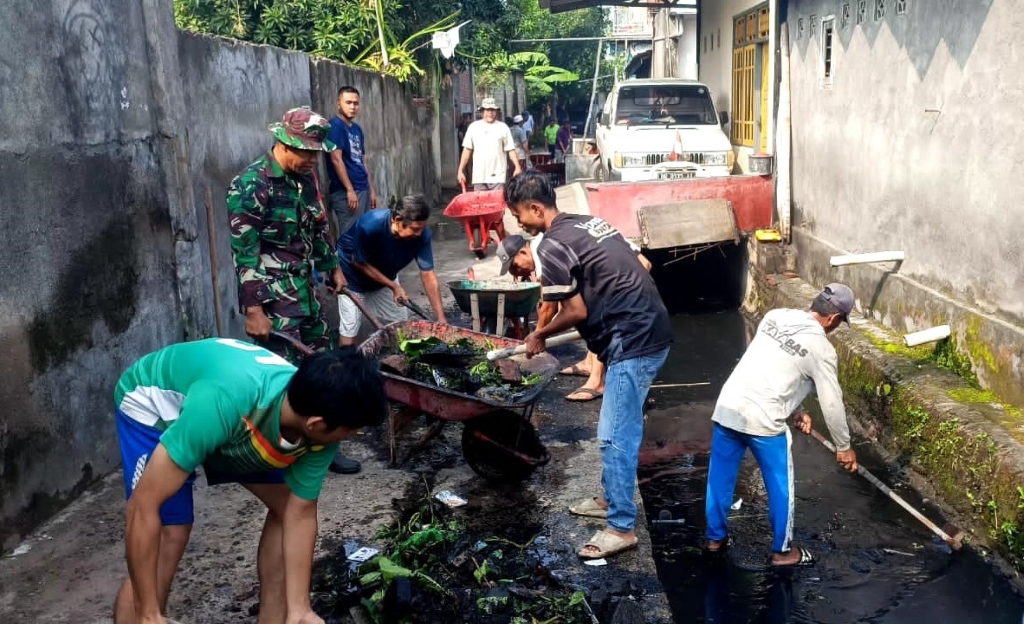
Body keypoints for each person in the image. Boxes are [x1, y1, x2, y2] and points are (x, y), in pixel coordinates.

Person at [112, 338, 388, 624]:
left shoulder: (320, 419)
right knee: (171, 530)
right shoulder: (223, 402)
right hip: (155, 407)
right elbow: (142, 507)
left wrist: (301, 608)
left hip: (231, 423)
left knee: (287, 506)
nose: (348, 437)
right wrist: (148, 612)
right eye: (350, 431)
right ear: (316, 424)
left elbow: (301, 511)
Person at [506, 171, 673, 559]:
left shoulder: (551, 244)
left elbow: (575, 309)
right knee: (622, 425)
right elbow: (643, 265)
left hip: (634, 339)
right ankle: (609, 496)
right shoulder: (588, 222)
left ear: (535, 208)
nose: (518, 222)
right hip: (650, 328)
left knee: (614, 434)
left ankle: (621, 526)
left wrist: (540, 334)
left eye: (518, 215)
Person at [228, 106, 363, 476]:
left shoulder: (306, 181)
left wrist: (332, 267)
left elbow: (319, 228)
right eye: (303, 151)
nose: (309, 159)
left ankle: (324, 446)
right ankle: (277, 452)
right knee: (281, 378)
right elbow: (245, 253)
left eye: (315, 152)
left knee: (323, 369)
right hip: (274, 301)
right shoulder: (251, 184)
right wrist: (253, 310)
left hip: (307, 291)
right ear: (282, 141)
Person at [704, 284, 860, 568]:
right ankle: (783, 551)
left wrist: (797, 408)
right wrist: (844, 447)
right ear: (835, 318)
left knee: (719, 479)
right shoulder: (822, 349)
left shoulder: (776, 316)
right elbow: (832, 402)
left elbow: (769, 364)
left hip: (729, 406)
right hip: (764, 421)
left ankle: (714, 539)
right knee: (780, 487)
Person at [498, 234, 653, 403]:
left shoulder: (542, 249)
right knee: (583, 300)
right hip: (628, 264)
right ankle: (589, 363)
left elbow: (549, 306)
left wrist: (538, 335)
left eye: (514, 266)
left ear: (523, 252)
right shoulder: (548, 241)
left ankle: (597, 381)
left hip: (627, 275)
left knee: (596, 313)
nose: (516, 272)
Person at [336, 196, 447, 346]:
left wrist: (441, 319)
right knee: (350, 328)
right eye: (415, 229)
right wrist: (394, 287)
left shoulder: (422, 236)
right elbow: (358, 262)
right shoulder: (370, 225)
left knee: (401, 324)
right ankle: (346, 364)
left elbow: (428, 274)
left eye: (422, 228)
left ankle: (397, 361)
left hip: (384, 275)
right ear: (397, 219)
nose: (419, 234)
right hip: (351, 277)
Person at [326, 86, 378, 235]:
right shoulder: (335, 126)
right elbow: (336, 159)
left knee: (362, 234)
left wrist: (372, 191)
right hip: (346, 192)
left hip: (362, 188)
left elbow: (362, 161)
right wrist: (349, 190)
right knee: (349, 237)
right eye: (348, 102)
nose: (352, 107)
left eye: (356, 103)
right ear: (338, 104)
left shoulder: (357, 129)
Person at [457, 97, 522, 191]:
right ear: (482, 111)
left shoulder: (503, 128)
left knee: (498, 204)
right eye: (487, 110)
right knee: (480, 205)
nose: (490, 113)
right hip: (479, 176)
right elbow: (467, 150)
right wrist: (460, 170)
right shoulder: (473, 127)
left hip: (498, 176)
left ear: (496, 111)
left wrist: (517, 167)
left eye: (492, 110)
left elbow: (511, 149)